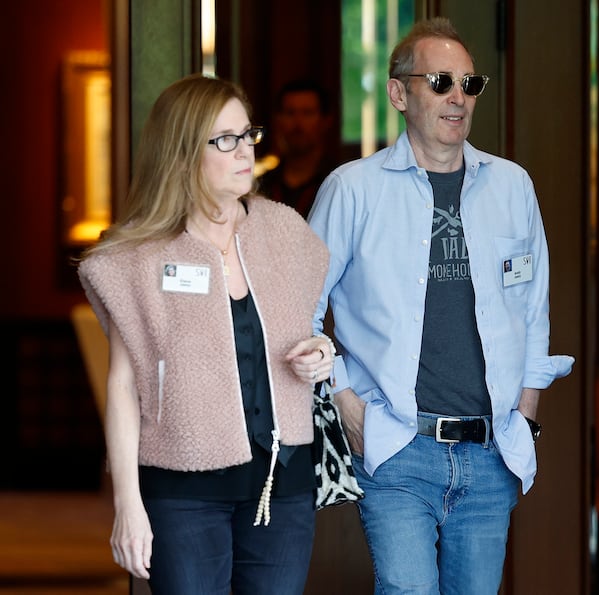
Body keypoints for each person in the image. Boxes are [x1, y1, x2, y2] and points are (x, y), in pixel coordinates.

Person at [307, 17, 574, 594]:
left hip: (491, 451)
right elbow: (299, 310)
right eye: (441, 82)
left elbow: (533, 309)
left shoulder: (512, 186)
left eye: (469, 84)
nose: (458, 97)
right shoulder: (353, 190)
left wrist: (524, 413)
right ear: (400, 93)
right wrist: (347, 403)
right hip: (398, 445)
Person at [77, 73, 334, 595]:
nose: (244, 151)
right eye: (225, 139)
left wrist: (322, 352)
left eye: (248, 135)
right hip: (182, 492)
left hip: (281, 485)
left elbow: (312, 332)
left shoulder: (285, 232)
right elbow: (124, 387)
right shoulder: (140, 258)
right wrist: (128, 504)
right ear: (182, 152)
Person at [257, 79, 337, 218]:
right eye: (289, 113)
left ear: (326, 121)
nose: (298, 123)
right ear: (278, 120)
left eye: (307, 113)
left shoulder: (337, 181)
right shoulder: (261, 186)